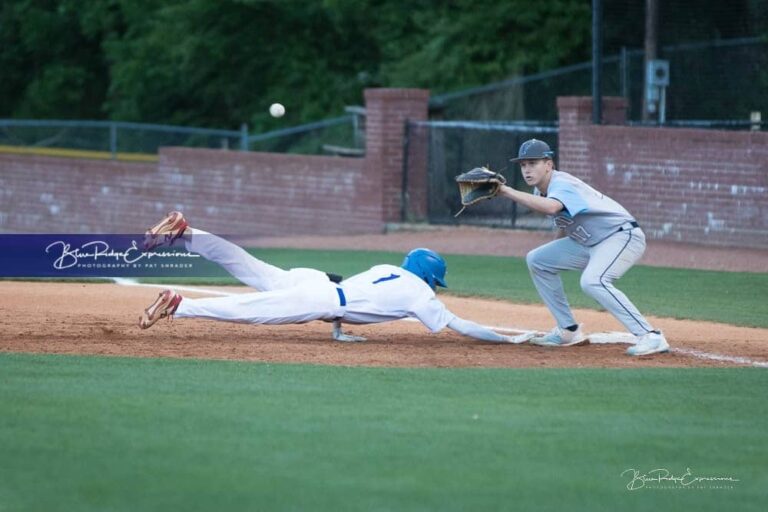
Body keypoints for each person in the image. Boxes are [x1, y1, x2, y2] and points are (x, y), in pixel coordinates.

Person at [138, 211, 535, 345]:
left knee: (248, 265)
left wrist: (338, 333)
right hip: (321, 299)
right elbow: (459, 325)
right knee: (251, 311)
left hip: (317, 284)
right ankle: (181, 304)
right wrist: (503, 338)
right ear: (431, 278)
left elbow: (356, 296)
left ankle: (188, 233)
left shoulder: (388, 270)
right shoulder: (421, 296)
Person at [495, 139, 669, 356]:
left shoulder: (561, 183)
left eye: (533, 163)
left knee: (592, 281)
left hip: (621, 236)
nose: (527, 169)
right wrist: (554, 254)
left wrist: (506, 191)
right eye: (523, 165)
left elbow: (552, 208)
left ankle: (650, 336)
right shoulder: (541, 191)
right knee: (538, 259)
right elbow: (562, 224)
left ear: (548, 164)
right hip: (590, 243)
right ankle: (568, 331)